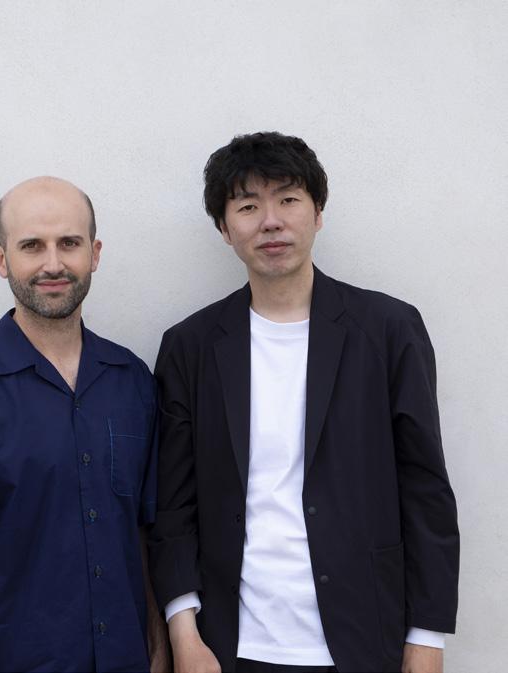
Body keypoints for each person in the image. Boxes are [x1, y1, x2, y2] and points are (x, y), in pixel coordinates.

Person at [148, 133, 459, 673]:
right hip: (230, 647)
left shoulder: (388, 331)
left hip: (365, 638)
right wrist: (184, 631)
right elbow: (174, 503)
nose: (271, 221)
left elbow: (425, 487)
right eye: (248, 206)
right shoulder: (190, 347)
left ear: (318, 213)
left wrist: (427, 637)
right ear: (224, 228)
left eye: (288, 199)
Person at [0, 177, 168, 673]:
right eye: (32, 246)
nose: (53, 264)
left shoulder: (133, 381)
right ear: (1, 260)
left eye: (70, 243)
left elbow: (145, 535)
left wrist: (158, 654)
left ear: (95, 253)